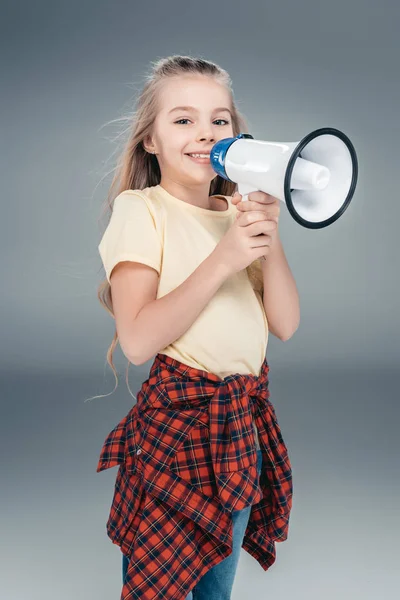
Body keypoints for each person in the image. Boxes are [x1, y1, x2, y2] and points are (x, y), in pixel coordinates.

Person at [95, 54, 300, 600]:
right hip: (177, 431)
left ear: (237, 134)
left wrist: (266, 233)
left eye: (220, 120)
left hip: (239, 427)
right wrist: (225, 259)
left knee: (215, 590)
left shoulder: (235, 214)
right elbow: (138, 341)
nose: (204, 133)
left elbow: (285, 323)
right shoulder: (140, 211)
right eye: (183, 120)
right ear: (150, 141)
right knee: (157, 587)